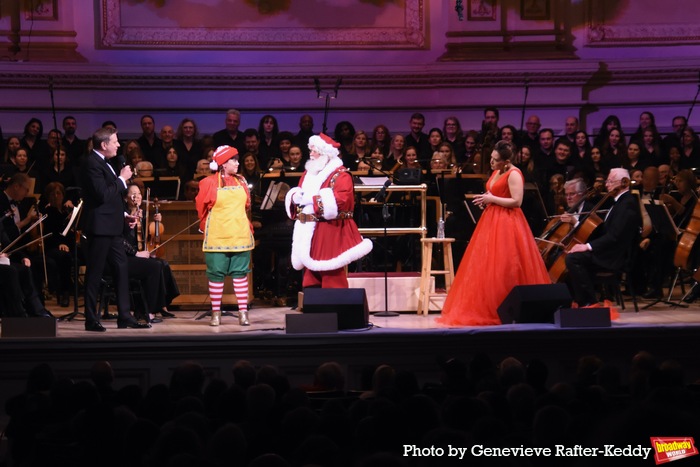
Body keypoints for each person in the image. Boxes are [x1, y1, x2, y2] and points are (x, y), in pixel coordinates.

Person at [438, 140, 551, 326]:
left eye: (495, 160)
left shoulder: (514, 173)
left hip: (508, 223)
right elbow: (496, 194)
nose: (491, 162)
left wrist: (492, 198)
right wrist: (487, 200)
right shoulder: (497, 171)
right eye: (491, 158)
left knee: (506, 264)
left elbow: (516, 201)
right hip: (491, 221)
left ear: (506, 161)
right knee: (487, 263)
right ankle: (488, 305)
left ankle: (510, 307)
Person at [81, 127, 151, 332]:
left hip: (113, 229)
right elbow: (102, 195)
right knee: (94, 273)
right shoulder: (91, 164)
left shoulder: (107, 163)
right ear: (104, 145)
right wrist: (121, 179)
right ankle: (91, 319)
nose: (118, 145)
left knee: (122, 270)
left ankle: (124, 316)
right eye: (115, 141)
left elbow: (111, 200)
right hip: (100, 229)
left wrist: (123, 216)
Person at [284, 133, 372, 288]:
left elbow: (341, 201)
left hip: (330, 229)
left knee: (331, 272)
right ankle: (314, 307)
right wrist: (294, 196)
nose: (310, 154)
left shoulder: (341, 175)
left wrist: (312, 199)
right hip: (309, 230)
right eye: (310, 150)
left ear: (325, 154)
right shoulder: (309, 173)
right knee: (311, 271)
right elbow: (300, 193)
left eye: (314, 150)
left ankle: (337, 308)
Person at [565, 168, 642, 307]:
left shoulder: (628, 203)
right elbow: (607, 232)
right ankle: (579, 300)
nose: (607, 185)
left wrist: (587, 246)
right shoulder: (619, 202)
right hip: (609, 251)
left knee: (573, 259)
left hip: (614, 256)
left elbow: (615, 237)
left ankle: (590, 302)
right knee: (570, 254)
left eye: (610, 181)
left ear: (624, 182)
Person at [195, 146, 254, 326]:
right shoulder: (207, 183)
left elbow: (247, 206)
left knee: (240, 274)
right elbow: (201, 208)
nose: (237, 163)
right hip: (217, 235)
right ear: (223, 163)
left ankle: (243, 312)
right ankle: (216, 313)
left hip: (239, 233)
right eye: (233, 160)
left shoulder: (242, 181)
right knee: (216, 274)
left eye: (237, 159)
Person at [123, 184, 179, 322]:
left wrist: (155, 222)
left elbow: (147, 238)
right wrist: (137, 252)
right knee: (156, 266)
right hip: (128, 256)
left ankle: (162, 304)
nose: (137, 197)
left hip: (140, 254)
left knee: (163, 264)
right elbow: (122, 240)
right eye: (133, 194)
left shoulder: (143, 214)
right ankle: (149, 309)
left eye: (139, 194)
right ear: (125, 198)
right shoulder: (123, 215)